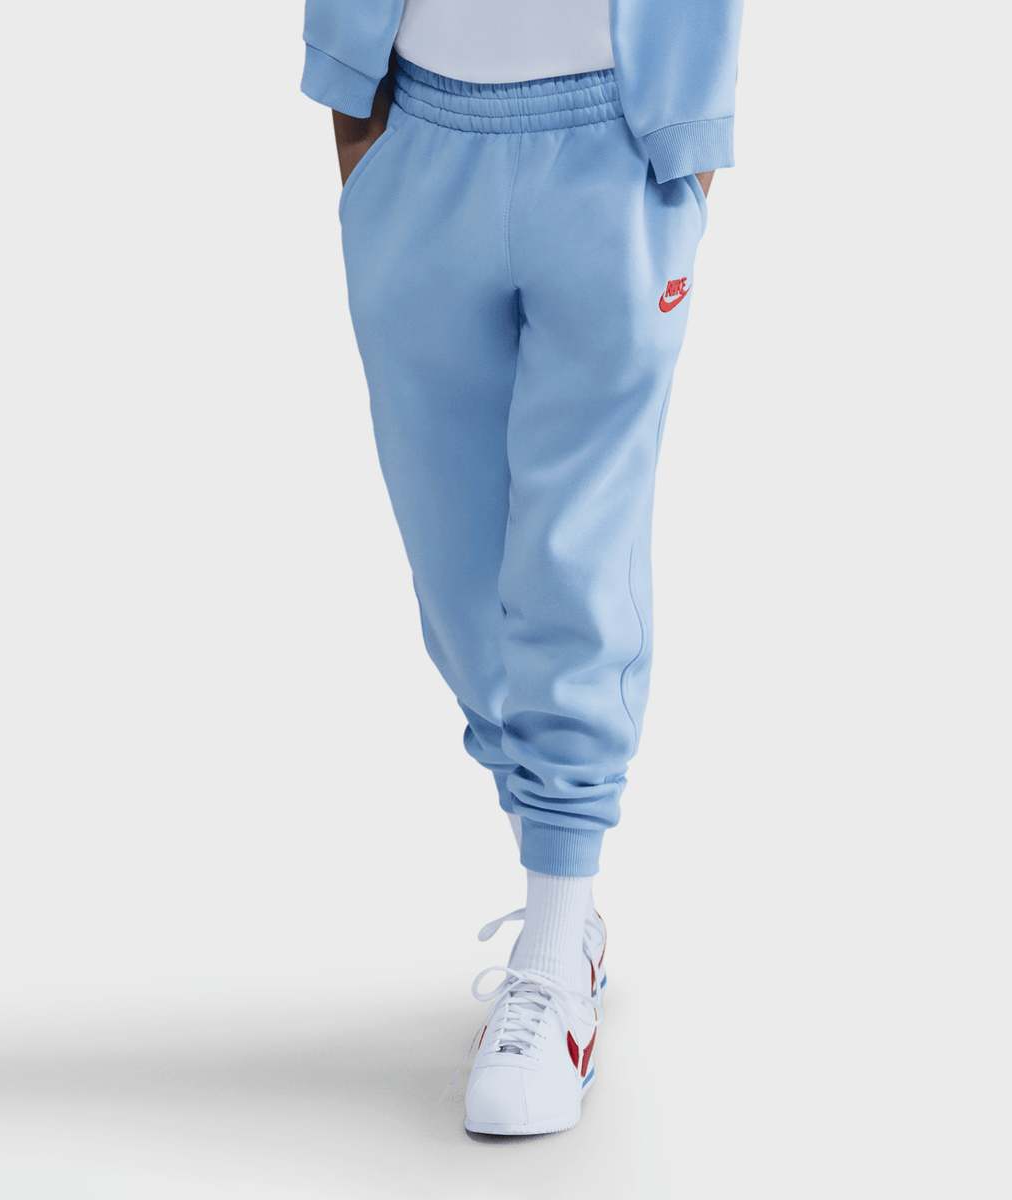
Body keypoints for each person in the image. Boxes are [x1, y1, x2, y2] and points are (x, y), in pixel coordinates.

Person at [300, 0, 743, 1136]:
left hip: (612, 137)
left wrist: (689, 142)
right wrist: (352, 107)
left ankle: (554, 946)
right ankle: (566, 914)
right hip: (420, 132)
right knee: (455, 579)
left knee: (573, 556)